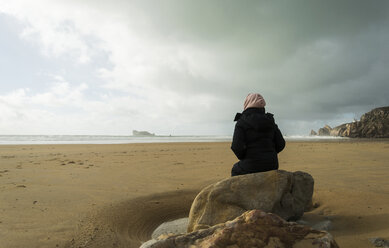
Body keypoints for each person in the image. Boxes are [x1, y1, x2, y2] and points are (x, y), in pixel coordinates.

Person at [231, 93, 285, 176]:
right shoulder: (270, 121)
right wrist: (270, 153)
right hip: (272, 165)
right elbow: (281, 144)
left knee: (235, 170)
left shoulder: (241, 121)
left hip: (250, 166)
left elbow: (236, 147)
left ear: (247, 103)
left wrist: (244, 157)